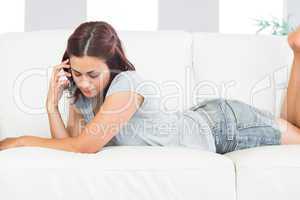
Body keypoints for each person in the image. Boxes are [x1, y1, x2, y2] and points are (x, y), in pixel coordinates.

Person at [1, 21, 300, 154]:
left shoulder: (126, 85)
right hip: (200, 119)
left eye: (92, 74)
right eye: (76, 73)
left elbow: (84, 147)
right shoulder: (83, 96)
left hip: (222, 127)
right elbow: (68, 146)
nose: (83, 82)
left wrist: (21, 140)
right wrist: (52, 106)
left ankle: (297, 52)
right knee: (292, 126)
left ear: (112, 63)